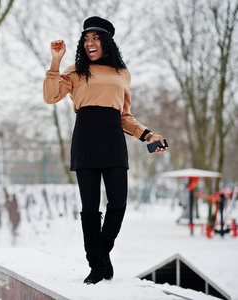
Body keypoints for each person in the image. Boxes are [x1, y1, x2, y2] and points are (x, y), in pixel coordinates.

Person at [43, 16, 168, 285]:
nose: (90, 42)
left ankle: (100, 255)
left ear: (107, 41)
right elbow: (51, 96)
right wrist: (56, 60)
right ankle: (97, 265)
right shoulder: (76, 69)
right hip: (85, 138)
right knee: (90, 207)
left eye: (96, 38)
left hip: (113, 139)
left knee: (118, 203)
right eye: (86, 38)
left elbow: (124, 116)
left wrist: (148, 134)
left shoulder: (122, 74)